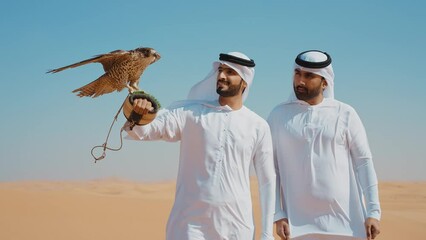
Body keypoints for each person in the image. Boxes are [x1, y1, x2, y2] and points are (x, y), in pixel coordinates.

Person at [123, 52, 276, 240]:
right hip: (190, 225)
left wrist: (267, 234)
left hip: (236, 226)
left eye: (230, 72)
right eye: (220, 70)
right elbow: (146, 131)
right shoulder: (190, 113)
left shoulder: (258, 126)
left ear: (244, 81)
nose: (221, 76)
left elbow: (268, 181)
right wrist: (138, 112)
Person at [268, 50, 381, 240]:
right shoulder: (278, 115)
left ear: (325, 81)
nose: (300, 81)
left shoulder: (345, 113)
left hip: (347, 226)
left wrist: (373, 212)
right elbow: (271, 170)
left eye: (309, 75)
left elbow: (364, 163)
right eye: (297, 73)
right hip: (297, 227)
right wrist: (278, 214)